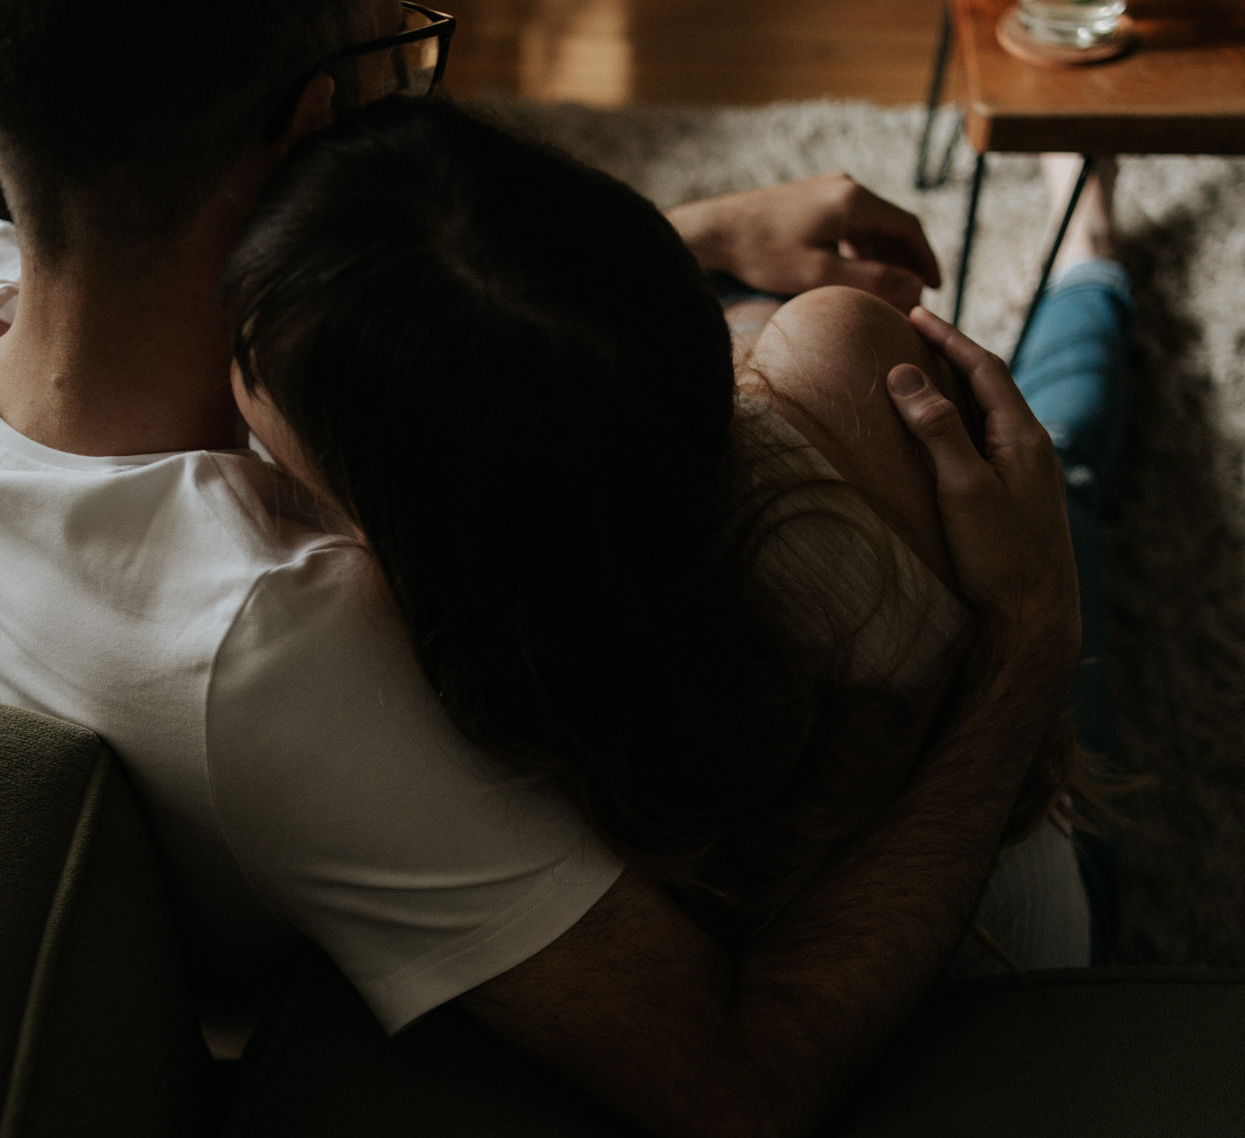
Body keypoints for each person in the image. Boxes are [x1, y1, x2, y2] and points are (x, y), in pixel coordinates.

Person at [0, 0, 1091, 1138]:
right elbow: (739, 1087)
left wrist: (682, 235)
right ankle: (1091, 270)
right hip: (933, 901)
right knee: (1035, 476)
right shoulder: (285, 637)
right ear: (313, 123)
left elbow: (382, 351)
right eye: (403, 46)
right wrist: (1030, 640)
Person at [219, 95, 1088, 962]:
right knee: (1063, 470)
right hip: (1036, 930)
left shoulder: (397, 670)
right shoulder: (843, 354)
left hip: (949, 1008)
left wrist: (706, 236)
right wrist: (1035, 618)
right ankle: (1089, 250)